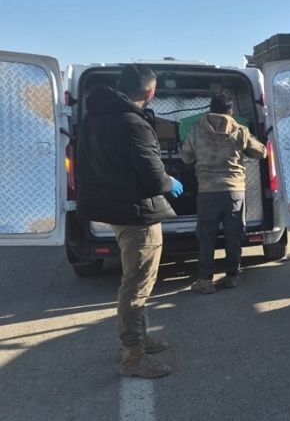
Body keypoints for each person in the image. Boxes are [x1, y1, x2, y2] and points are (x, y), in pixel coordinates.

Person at [77, 63, 184, 379]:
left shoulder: (92, 119)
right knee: (137, 285)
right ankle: (133, 355)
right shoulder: (132, 123)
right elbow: (153, 177)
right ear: (150, 92)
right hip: (137, 215)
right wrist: (170, 181)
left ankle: (140, 338)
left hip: (115, 209)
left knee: (135, 280)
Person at [182, 92, 266, 294]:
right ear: (231, 111)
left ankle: (205, 281)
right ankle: (232, 277)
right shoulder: (240, 131)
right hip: (234, 192)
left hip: (207, 192)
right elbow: (261, 152)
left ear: (210, 109)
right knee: (234, 236)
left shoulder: (196, 130)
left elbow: (186, 158)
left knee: (207, 238)